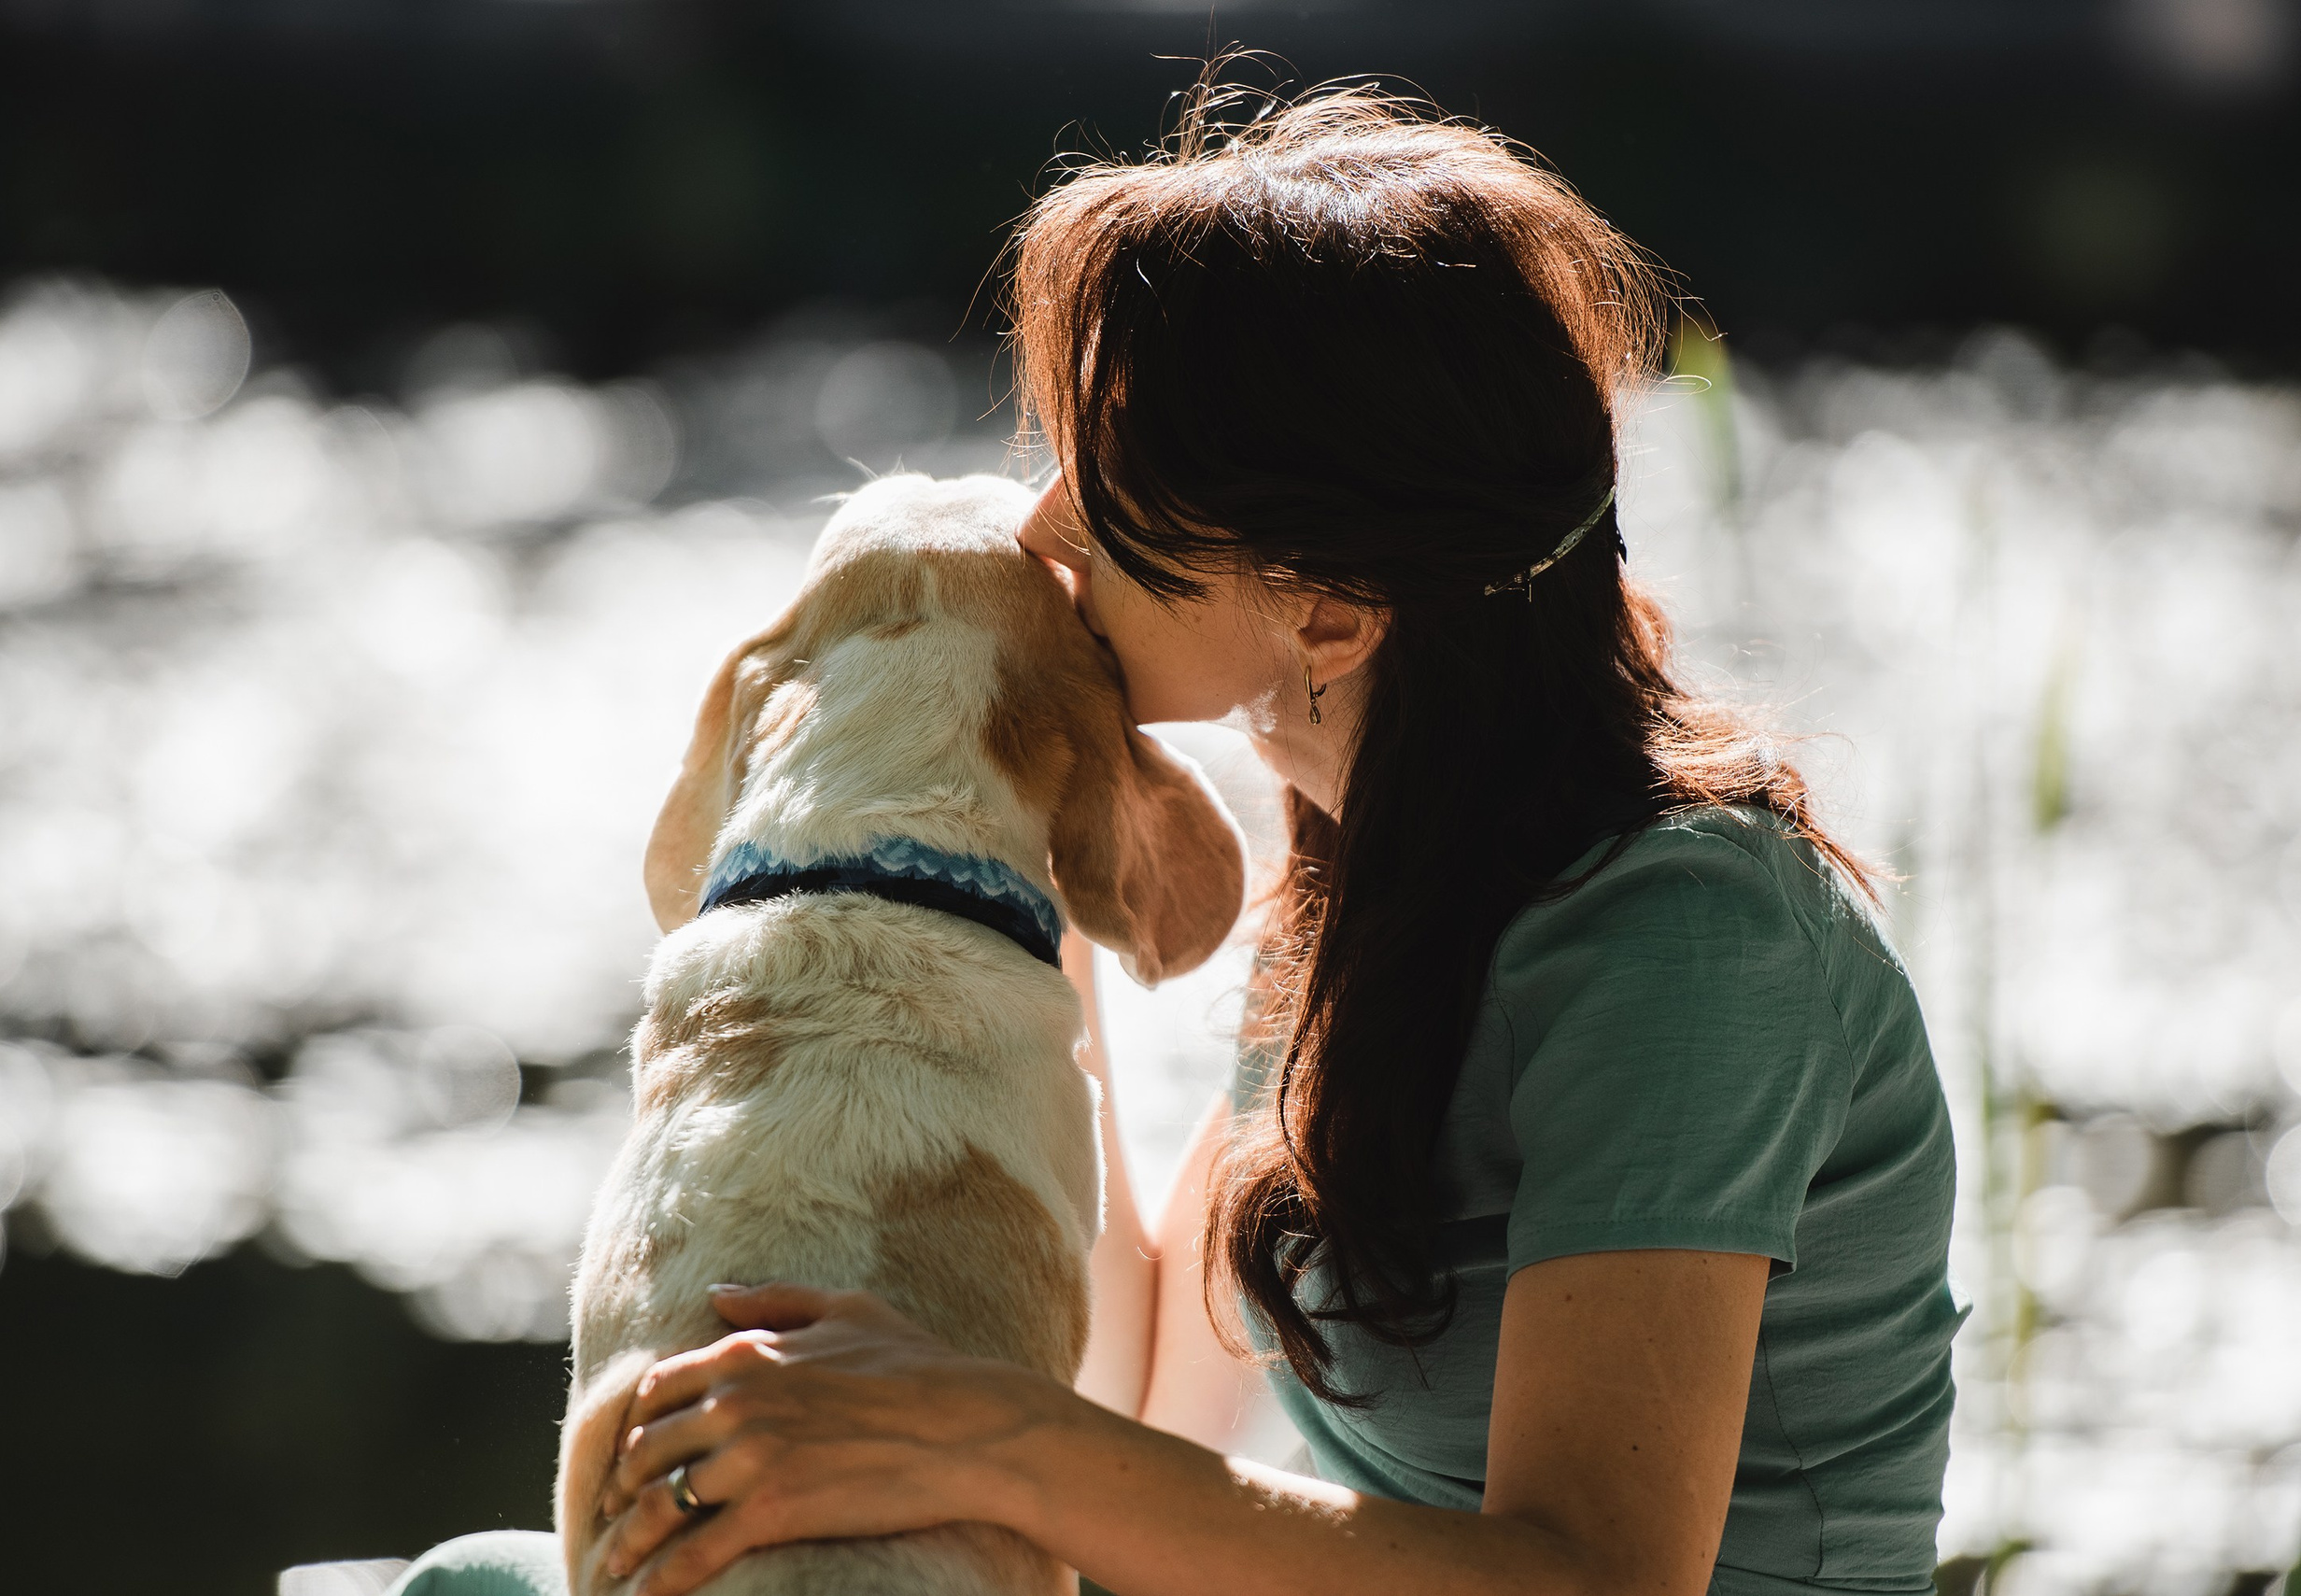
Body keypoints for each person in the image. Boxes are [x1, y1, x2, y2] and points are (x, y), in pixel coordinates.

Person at [389, 87, 1960, 1596]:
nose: (1047, 525)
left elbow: (1595, 1579)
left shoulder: (1690, 937)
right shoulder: (1368, 891)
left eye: (1121, 488)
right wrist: (992, 881)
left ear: (1328, 611)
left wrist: (977, 1428)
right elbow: (1140, 1398)